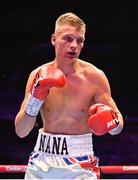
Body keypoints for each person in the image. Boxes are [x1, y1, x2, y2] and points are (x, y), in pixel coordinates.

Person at [14, 12, 124, 179]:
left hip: (80, 163)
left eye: (80, 40)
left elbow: (119, 126)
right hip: (42, 161)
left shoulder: (94, 77)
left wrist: (111, 122)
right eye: (68, 38)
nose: (74, 45)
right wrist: (35, 100)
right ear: (53, 39)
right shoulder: (37, 75)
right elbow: (21, 131)